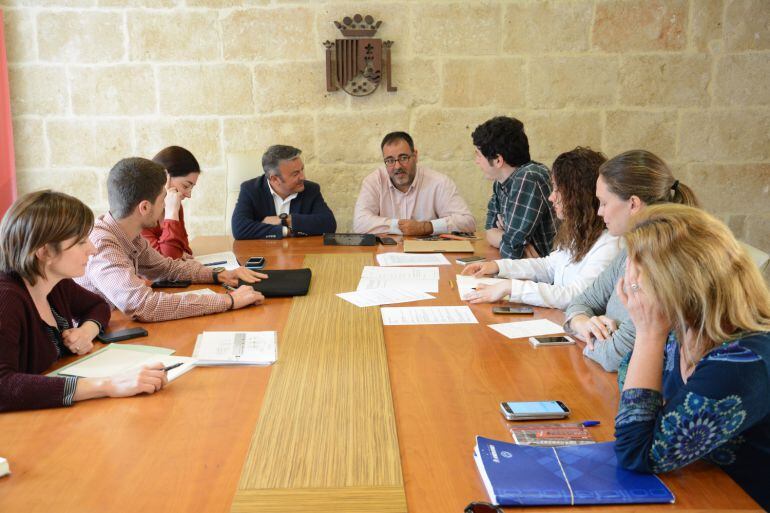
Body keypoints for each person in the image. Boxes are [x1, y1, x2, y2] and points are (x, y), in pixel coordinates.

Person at [613, 204, 770, 510]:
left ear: (673, 284)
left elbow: (637, 452)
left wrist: (648, 334)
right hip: (700, 486)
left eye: (636, 276)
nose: (631, 287)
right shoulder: (685, 330)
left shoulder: (744, 362)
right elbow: (624, 373)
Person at [0, 191, 169, 412]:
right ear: (45, 252)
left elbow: (96, 306)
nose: (93, 248)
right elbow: (4, 386)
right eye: (81, 242)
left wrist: (87, 330)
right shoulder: (6, 300)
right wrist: (107, 384)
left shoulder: (54, 282)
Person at [76, 157, 265, 322]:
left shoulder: (129, 235)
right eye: (163, 199)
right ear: (144, 207)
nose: (166, 205)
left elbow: (166, 267)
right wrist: (228, 300)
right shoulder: (102, 244)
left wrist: (218, 274)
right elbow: (143, 305)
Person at [563, 150, 699, 371]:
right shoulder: (631, 249)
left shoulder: (663, 264)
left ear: (633, 203)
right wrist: (583, 323)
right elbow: (581, 302)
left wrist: (589, 338)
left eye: (604, 203)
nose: (599, 212)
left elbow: (614, 357)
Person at [461, 147, 619, 309]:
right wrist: (497, 266)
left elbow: (575, 296)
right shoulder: (580, 229)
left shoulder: (610, 243)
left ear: (578, 196)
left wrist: (510, 287)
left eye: (558, 190)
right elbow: (548, 266)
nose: (551, 197)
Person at [353, 131, 475, 235]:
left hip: (429, 254)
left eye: (403, 158)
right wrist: (399, 226)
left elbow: (467, 222)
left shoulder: (439, 182)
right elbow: (359, 223)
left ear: (415, 156)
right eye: (390, 160)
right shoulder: (374, 181)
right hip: (386, 254)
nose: (397, 166)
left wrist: (426, 227)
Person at [472, 116, 555, 259]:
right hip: (527, 271)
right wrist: (507, 239)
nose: (476, 161)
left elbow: (512, 252)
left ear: (498, 160)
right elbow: (489, 231)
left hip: (549, 277)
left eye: (479, 156)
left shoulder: (529, 177)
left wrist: (506, 238)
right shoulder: (501, 182)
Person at [231, 145, 336, 239]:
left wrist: (286, 220)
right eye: (295, 174)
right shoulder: (250, 190)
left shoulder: (311, 189)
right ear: (275, 179)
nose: (303, 177)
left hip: (299, 254)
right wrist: (285, 231)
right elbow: (239, 228)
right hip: (265, 253)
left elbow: (329, 224)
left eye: (302, 169)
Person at [141, 146, 201, 259]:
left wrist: (178, 253)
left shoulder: (175, 205)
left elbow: (186, 250)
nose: (189, 195)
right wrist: (171, 212)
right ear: (164, 176)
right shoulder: (142, 210)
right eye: (186, 186)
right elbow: (164, 262)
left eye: (191, 188)